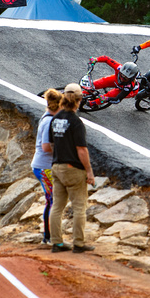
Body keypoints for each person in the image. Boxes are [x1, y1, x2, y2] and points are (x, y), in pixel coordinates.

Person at [49, 83, 96, 253]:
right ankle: (79, 244)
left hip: (56, 166)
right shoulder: (76, 122)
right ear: (79, 100)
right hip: (73, 168)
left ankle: (57, 243)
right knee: (79, 208)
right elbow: (81, 150)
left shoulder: (55, 119)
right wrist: (89, 171)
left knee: (57, 207)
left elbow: (50, 146)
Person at [31, 88, 62, 245]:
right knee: (53, 201)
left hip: (44, 166)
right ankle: (48, 238)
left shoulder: (47, 117)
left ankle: (49, 236)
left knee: (53, 201)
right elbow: (46, 146)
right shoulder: (50, 121)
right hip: (44, 167)